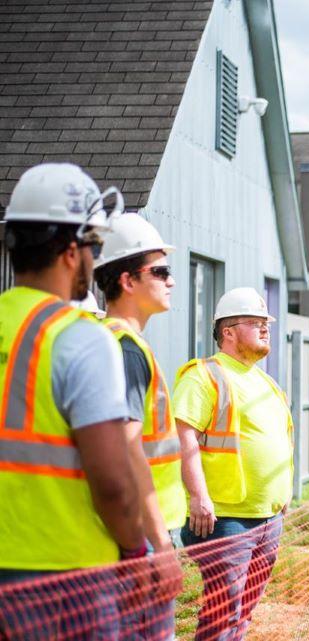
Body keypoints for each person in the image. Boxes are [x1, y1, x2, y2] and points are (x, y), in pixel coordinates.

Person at [0, 163, 148, 639]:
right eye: (94, 246)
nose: (94, 259)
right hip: (66, 579)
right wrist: (135, 551)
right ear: (70, 251)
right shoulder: (81, 339)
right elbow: (111, 481)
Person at [173, 287, 293, 641]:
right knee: (223, 609)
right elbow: (185, 440)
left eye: (265, 323)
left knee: (244, 610)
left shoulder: (267, 383)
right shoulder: (204, 375)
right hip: (224, 517)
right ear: (228, 332)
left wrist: (281, 494)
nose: (265, 328)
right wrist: (198, 497)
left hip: (267, 516)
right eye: (254, 323)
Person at [94, 212, 185, 639]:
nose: (171, 280)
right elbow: (128, 452)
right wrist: (161, 547)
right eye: (160, 271)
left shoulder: (107, 338)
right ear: (127, 281)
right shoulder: (127, 349)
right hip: (144, 535)